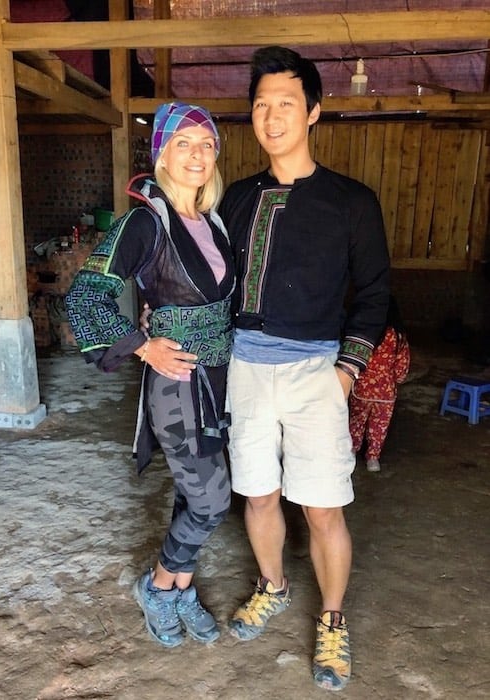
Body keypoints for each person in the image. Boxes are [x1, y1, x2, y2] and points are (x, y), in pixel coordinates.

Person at [218, 46, 391, 691]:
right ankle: (273, 586)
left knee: (322, 508)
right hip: (246, 367)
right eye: (261, 104)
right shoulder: (237, 198)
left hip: (318, 371)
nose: (272, 115)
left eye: (286, 103)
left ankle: (334, 620)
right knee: (258, 494)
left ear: (313, 112)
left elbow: (374, 295)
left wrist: (345, 373)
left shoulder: (351, 202)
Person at [65, 102, 235, 649]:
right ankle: (159, 587)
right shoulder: (145, 220)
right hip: (178, 384)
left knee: (193, 495)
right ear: (162, 155)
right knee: (213, 501)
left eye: (206, 144)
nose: (197, 154)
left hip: (219, 380)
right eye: (183, 143)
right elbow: (85, 296)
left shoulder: (212, 220)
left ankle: (183, 589)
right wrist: (142, 344)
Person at [349, 295, 410, 473]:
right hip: (386, 392)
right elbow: (401, 366)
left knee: (356, 422)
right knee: (379, 425)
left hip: (362, 387)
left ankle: (351, 453)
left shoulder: (364, 332)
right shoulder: (398, 337)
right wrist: (396, 380)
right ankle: (373, 459)